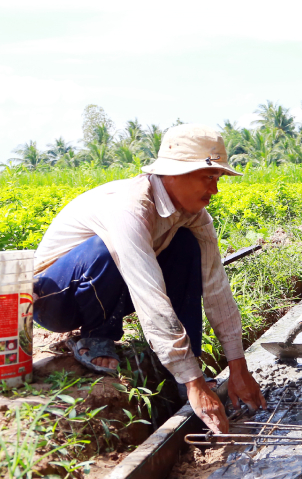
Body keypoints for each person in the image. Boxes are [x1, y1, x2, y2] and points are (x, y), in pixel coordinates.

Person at [32, 124, 265, 434]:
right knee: (110, 248)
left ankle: (186, 366)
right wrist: (195, 383)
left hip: (109, 288)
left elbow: (216, 287)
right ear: (174, 173)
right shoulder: (130, 208)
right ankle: (94, 335)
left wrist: (238, 368)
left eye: (217, 178)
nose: (215, 190)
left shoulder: (195, 217)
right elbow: (148, 293)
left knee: (184, 245)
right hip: (56, 299)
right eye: (208, 177)